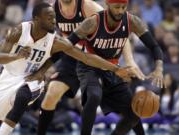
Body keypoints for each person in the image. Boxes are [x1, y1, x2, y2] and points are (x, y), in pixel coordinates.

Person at [0, 3, 135, 135]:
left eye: (54, 18)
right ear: (36, 19)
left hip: (34, 78)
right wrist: (16, 56)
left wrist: (116, 68)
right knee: (4, 113)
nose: (54, 21)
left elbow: (87, 57)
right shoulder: (19, 31)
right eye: (49, 18)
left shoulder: (57, 40)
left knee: (24, 95)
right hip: (8, 76)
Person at [37, 0, 145, 134]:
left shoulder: (88, 7)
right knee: (51, 94)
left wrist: (130, 61)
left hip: (97, 57)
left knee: (126, 104)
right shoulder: (52, 10)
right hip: (73, 56)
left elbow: (120, 33)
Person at [67, 0, 164, 134]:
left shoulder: (132, 21)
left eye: (123, 7)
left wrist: (159, 68)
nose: (120, 11)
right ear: (107, 4)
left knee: (134, 113)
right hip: (89, 66)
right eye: (116, 7)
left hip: (113, 69)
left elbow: (154, 46)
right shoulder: (93, 22)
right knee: (94, 95)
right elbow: (67, 44)